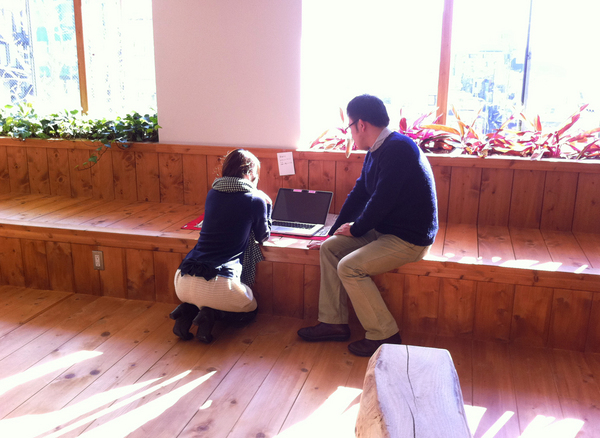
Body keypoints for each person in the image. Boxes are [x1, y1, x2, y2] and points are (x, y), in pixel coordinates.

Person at [297, 94, 438, 357]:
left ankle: (385, 334)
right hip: (386, 229)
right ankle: (333, 322)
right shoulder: (377, 149)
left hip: (410, 238)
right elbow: (360, 193)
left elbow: (383, 200)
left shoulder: (398, 149)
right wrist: (332, 233)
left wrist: (356, 228)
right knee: (330, 248)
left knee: (349, 267)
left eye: (349, 127)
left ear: (361, 124)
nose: (350, 134)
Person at [169, 149, 272, 343]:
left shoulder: (212, 193)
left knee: (204, 299)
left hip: (183, 279)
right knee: (249, 312)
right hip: (221, 282)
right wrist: (268, 204)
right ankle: (212, 315)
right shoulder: (255, 199)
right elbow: (263, 237)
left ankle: (187, 310)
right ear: (251, 173)